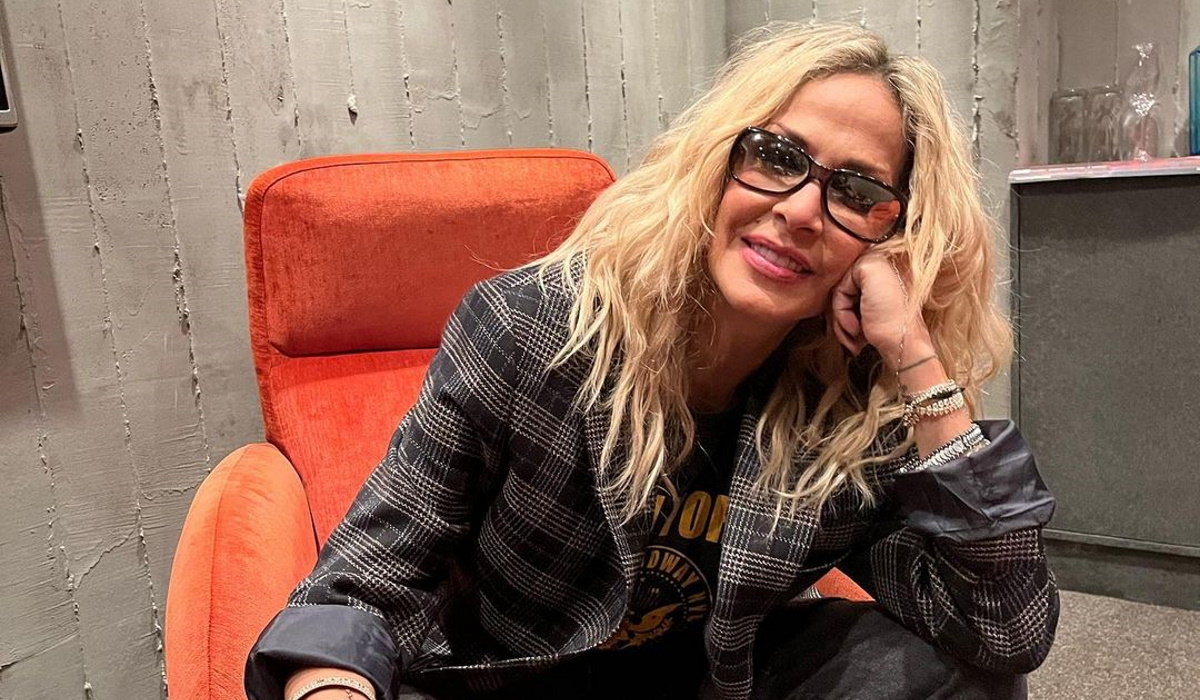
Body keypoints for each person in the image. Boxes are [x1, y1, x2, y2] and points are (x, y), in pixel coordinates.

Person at [245, 21, 1058, 700]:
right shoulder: (532, 329)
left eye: (857, 192)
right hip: (511, 682)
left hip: (709, 681)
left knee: (962, 678)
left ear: (892, 236)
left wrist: (914, 354)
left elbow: (1003, 629)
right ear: (715, 162)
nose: (804, 211)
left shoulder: (844, 405)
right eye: (778, 156)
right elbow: (360, 586)